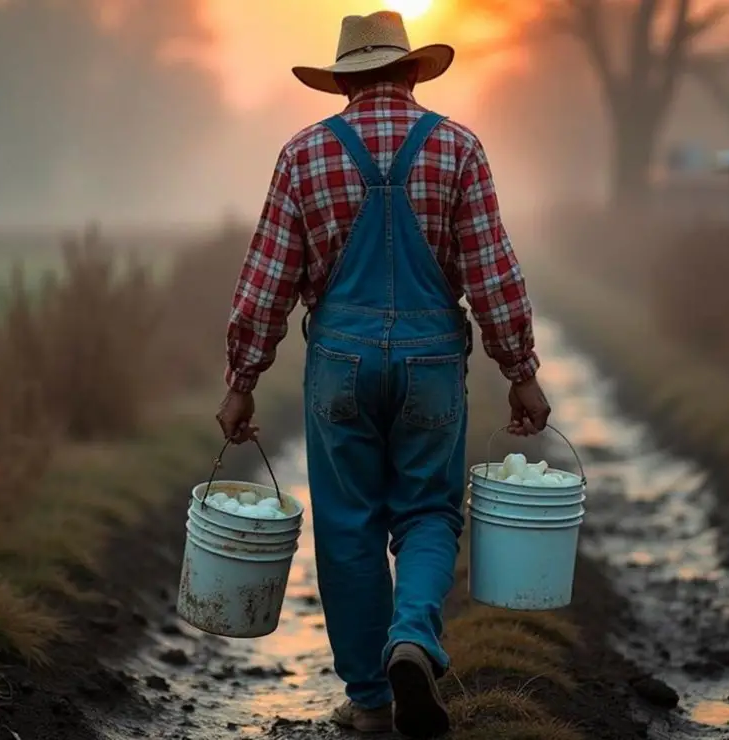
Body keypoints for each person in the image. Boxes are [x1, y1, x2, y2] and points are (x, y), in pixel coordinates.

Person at [215, 11, 550, 738]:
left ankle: (369, 702)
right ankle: (413, 641)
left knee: (349, 529)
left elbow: (267, 283)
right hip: (432, 362)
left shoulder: (303, 155)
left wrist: (243, 378)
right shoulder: (459, 148)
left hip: (340, 364)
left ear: (346, 83)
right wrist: (520, 368)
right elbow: (492, 275)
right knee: (429, 514)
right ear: (409, 72)